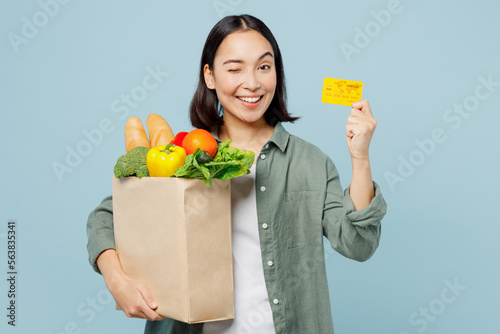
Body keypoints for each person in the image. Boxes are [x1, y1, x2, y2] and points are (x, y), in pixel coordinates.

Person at [86, 14, 387, 334]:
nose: (253, 82)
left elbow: (357, 245)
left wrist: (360, 157)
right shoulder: (184, 156)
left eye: (264, 66)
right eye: (234, 68)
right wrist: (117, 281)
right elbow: (106, 216)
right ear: (210, 76)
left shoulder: (310, 162)